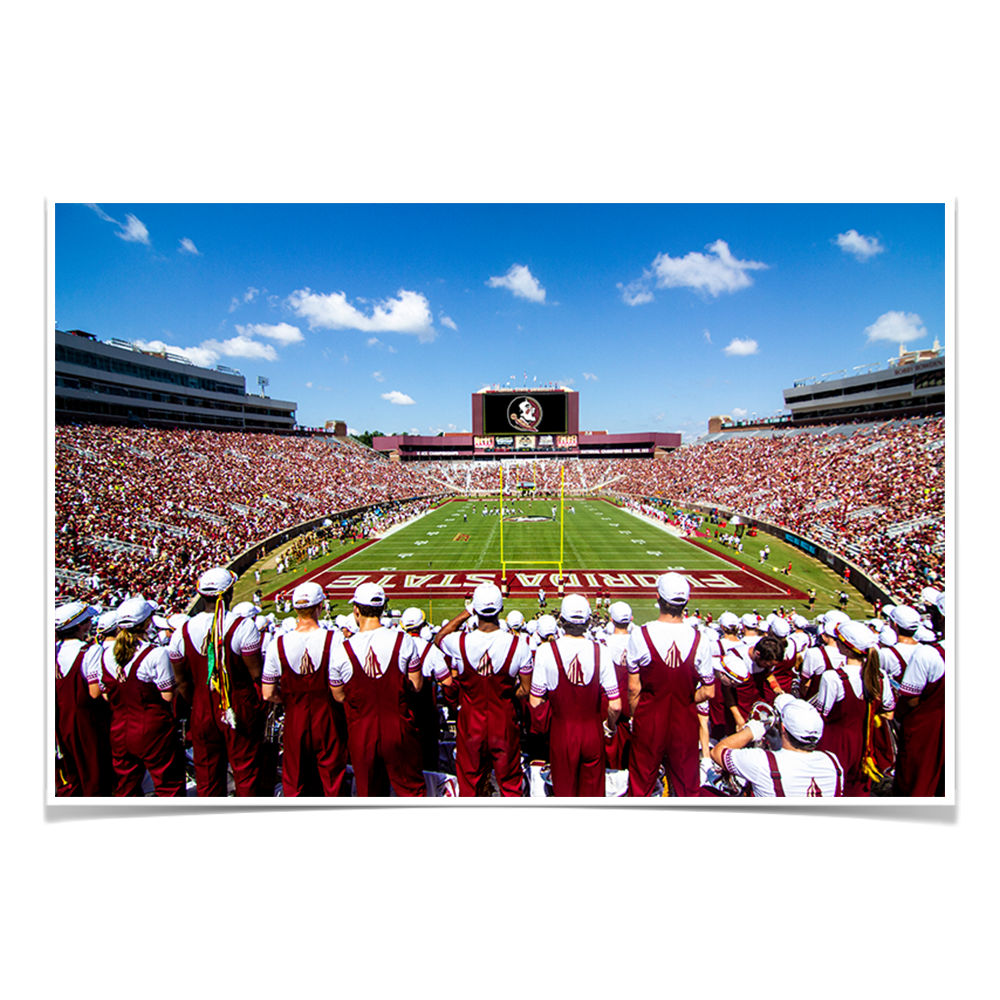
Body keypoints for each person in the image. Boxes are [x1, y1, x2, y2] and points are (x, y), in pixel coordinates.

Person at [169, 567, 267, 796]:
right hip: (238, 704)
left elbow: (182, 681)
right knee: (246, 771)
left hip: (202, 707)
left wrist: (198, 703)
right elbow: (256, 674)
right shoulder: (242, 626)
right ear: (229, 593)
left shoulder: (182, 630)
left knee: (207, 776)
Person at [327, 583, 426, 796]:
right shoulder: (404, 640)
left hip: (361, 730)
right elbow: (417, 685)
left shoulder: (341, 650)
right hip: (399, 726)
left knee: (369, 796)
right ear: (383, 608)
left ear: (356, 610)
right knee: (412, 792)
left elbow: (339, 695)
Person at [434, 583, 533, 796]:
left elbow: (439, 638)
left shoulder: (460, 642)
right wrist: (508, 695)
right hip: (504, 720)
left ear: (475, 610)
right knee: (510, 785)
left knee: (469, 785)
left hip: (471, 722)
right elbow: (525, 690)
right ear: (501, 609)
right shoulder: (519, 645)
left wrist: (466, 612)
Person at [626, 573, 715, 797]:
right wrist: (684, 699)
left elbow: (634, 688)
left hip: (650, 716)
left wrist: (638, 715)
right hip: (684, 720)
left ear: (657, 597)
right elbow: (709, 690)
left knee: (641, 786)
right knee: (687, 788)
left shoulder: (640, 634)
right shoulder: (700, 638)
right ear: (686, 602)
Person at [261, 582, 348, 797]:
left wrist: (290, 699)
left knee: (294, 780)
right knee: (333, 780)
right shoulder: (335, 638)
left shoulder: (277, 643)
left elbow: (268, 693)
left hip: (295, 716)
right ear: (320, 606)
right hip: (328, 716)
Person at [529, 595, 621, 796]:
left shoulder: (546, 651)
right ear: (589, 621)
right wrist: (609, 727)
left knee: (565, 797)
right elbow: (615, 705)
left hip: (562, 733)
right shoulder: (601, 651)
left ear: (561, 620)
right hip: (593, 733)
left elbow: (535, 701)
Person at [98, 597, 186, 796]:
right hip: (152, 727)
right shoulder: (156, 654)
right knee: (168, 786)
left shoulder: (105, 654)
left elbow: (105, 695)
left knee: (126, 787)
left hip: (119, 728)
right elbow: (167, 695)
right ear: (147, 623)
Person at [709, 694, 844, 796]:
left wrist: (752, 730)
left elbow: (717, 752)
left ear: (783, 728)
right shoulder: (833, 761)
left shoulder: (761, 761)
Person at [54, 601, 113, 796]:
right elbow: (95, 692)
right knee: (95, 774)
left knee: (69, 774)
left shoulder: (54, 650)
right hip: (87, 720)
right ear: (81, 625)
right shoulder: (89, 650)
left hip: (59, 718)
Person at [893, 594, 945, 796]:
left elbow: (910, 699)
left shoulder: (929, 653)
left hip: (926, 730)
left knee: (916, 786)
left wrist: (900, 717)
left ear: (941, 617)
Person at [400, 606, 453, 771]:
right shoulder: (431, 650)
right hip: (426, 713)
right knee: (429, 762)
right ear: (422, 625)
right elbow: (447, 681)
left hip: (401, 711)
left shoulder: (396, 646)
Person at [600, 601, 634, 770]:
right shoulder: (640, 642)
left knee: (607, 745)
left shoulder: (603, 643)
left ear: (611, 620)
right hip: (633, 699)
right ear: (631, 619)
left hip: (608, 699)